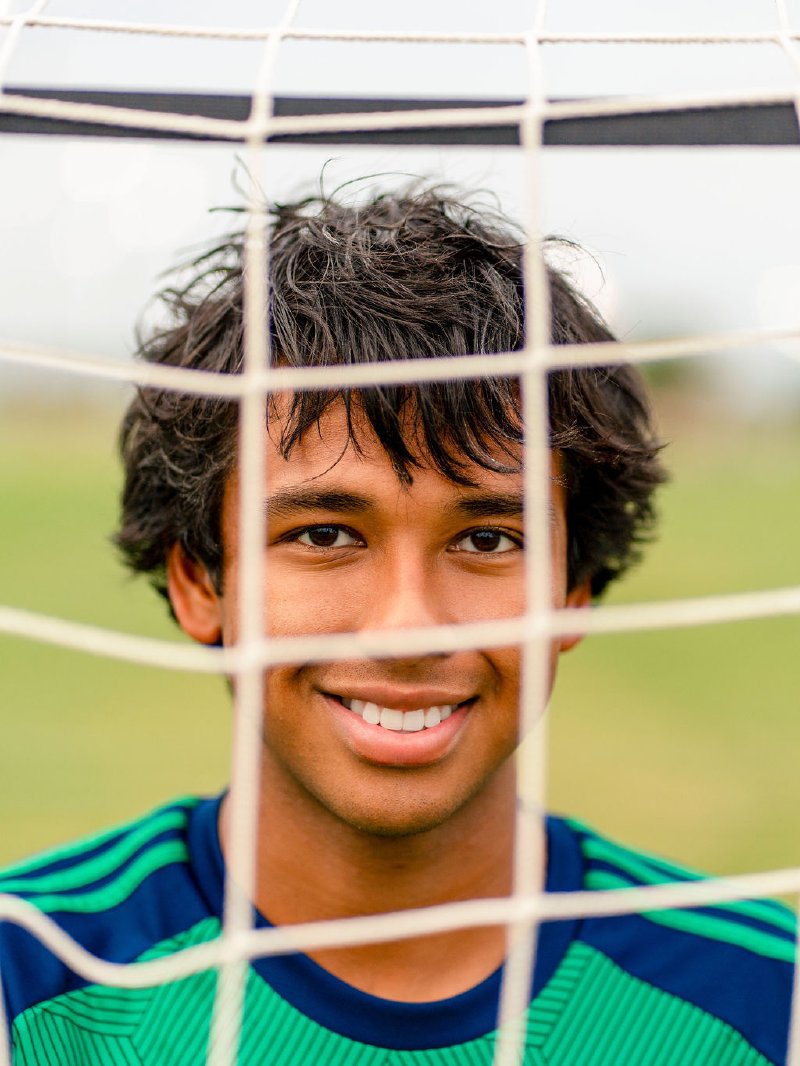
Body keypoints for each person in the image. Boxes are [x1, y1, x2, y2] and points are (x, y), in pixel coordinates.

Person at [0, 187, 794, 1065]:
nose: (408, 627)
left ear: (575, 588)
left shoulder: (760, 998)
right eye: (325, 534)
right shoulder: (30, 976)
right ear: (199, 581)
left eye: (488, 538)